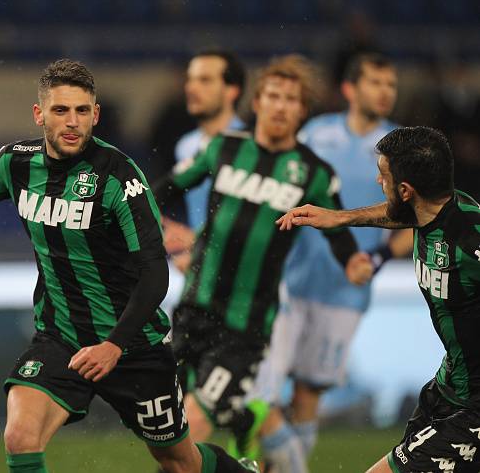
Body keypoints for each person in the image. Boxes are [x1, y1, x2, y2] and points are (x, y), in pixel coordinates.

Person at [0, 59, 259, 473]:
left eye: (82, 111)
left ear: (95, 115)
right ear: (39, 114)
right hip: (61, 337)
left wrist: (115, 345)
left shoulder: (119, 178)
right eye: (60, 110)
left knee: (181, 463)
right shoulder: (14, 162)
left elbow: (155, 271)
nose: (72, 122)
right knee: (19, 437)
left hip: (133, 345)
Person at [153, 55, 373, 465]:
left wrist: (354, 264)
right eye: (273, 95)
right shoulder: (222, 148)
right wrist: (161, 231)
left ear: (302, 111)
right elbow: (157, 192)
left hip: (245, 327)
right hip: (193, 311)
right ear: (257, 103)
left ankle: (242, 423)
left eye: (291, 99)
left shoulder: (313, 173)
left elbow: (339, 234)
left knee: (193, 426)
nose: (280, 105)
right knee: (166, 429)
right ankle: (243, 422)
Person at [277, 126, 480, 473]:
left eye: (382, 176)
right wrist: (338, 217)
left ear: (405, 190)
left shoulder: (469, 244)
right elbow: (399, 214)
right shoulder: (435, 209)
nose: (376, 181)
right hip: (447, 390)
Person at [250, 53, 412, 471]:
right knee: (257, 394)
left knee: (308, 395)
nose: (385, 92)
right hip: (289, 282)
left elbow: (416, 222)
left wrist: (375, 258)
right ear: (350, 89)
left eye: (390, 85)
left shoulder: (403, 148)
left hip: (346, 293)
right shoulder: (317, 134)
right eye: (376, 82)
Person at [162, 49, 246, 279]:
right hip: (202, 268)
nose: (191, 87)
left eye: (205, 80)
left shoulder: (251, 148)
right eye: (190, 79)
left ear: (232, 90)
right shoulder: (186, 146)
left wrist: (200, 244)